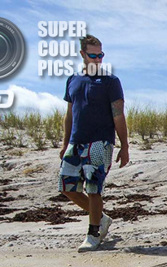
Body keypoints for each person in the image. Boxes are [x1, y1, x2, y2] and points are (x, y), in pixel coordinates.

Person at [59, 34, 129, 252]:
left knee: (93, 188)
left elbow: (118, 115)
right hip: (76, 142)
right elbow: (70, 114)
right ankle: (101, 218)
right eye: (93, 55)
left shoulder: (110, 82)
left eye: (101, 55)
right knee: (67, 186)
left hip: (100, 142)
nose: (98, 59)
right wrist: (64, 143)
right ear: (82, 54)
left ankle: (93, 233)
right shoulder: (73, 80)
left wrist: (124, 145)